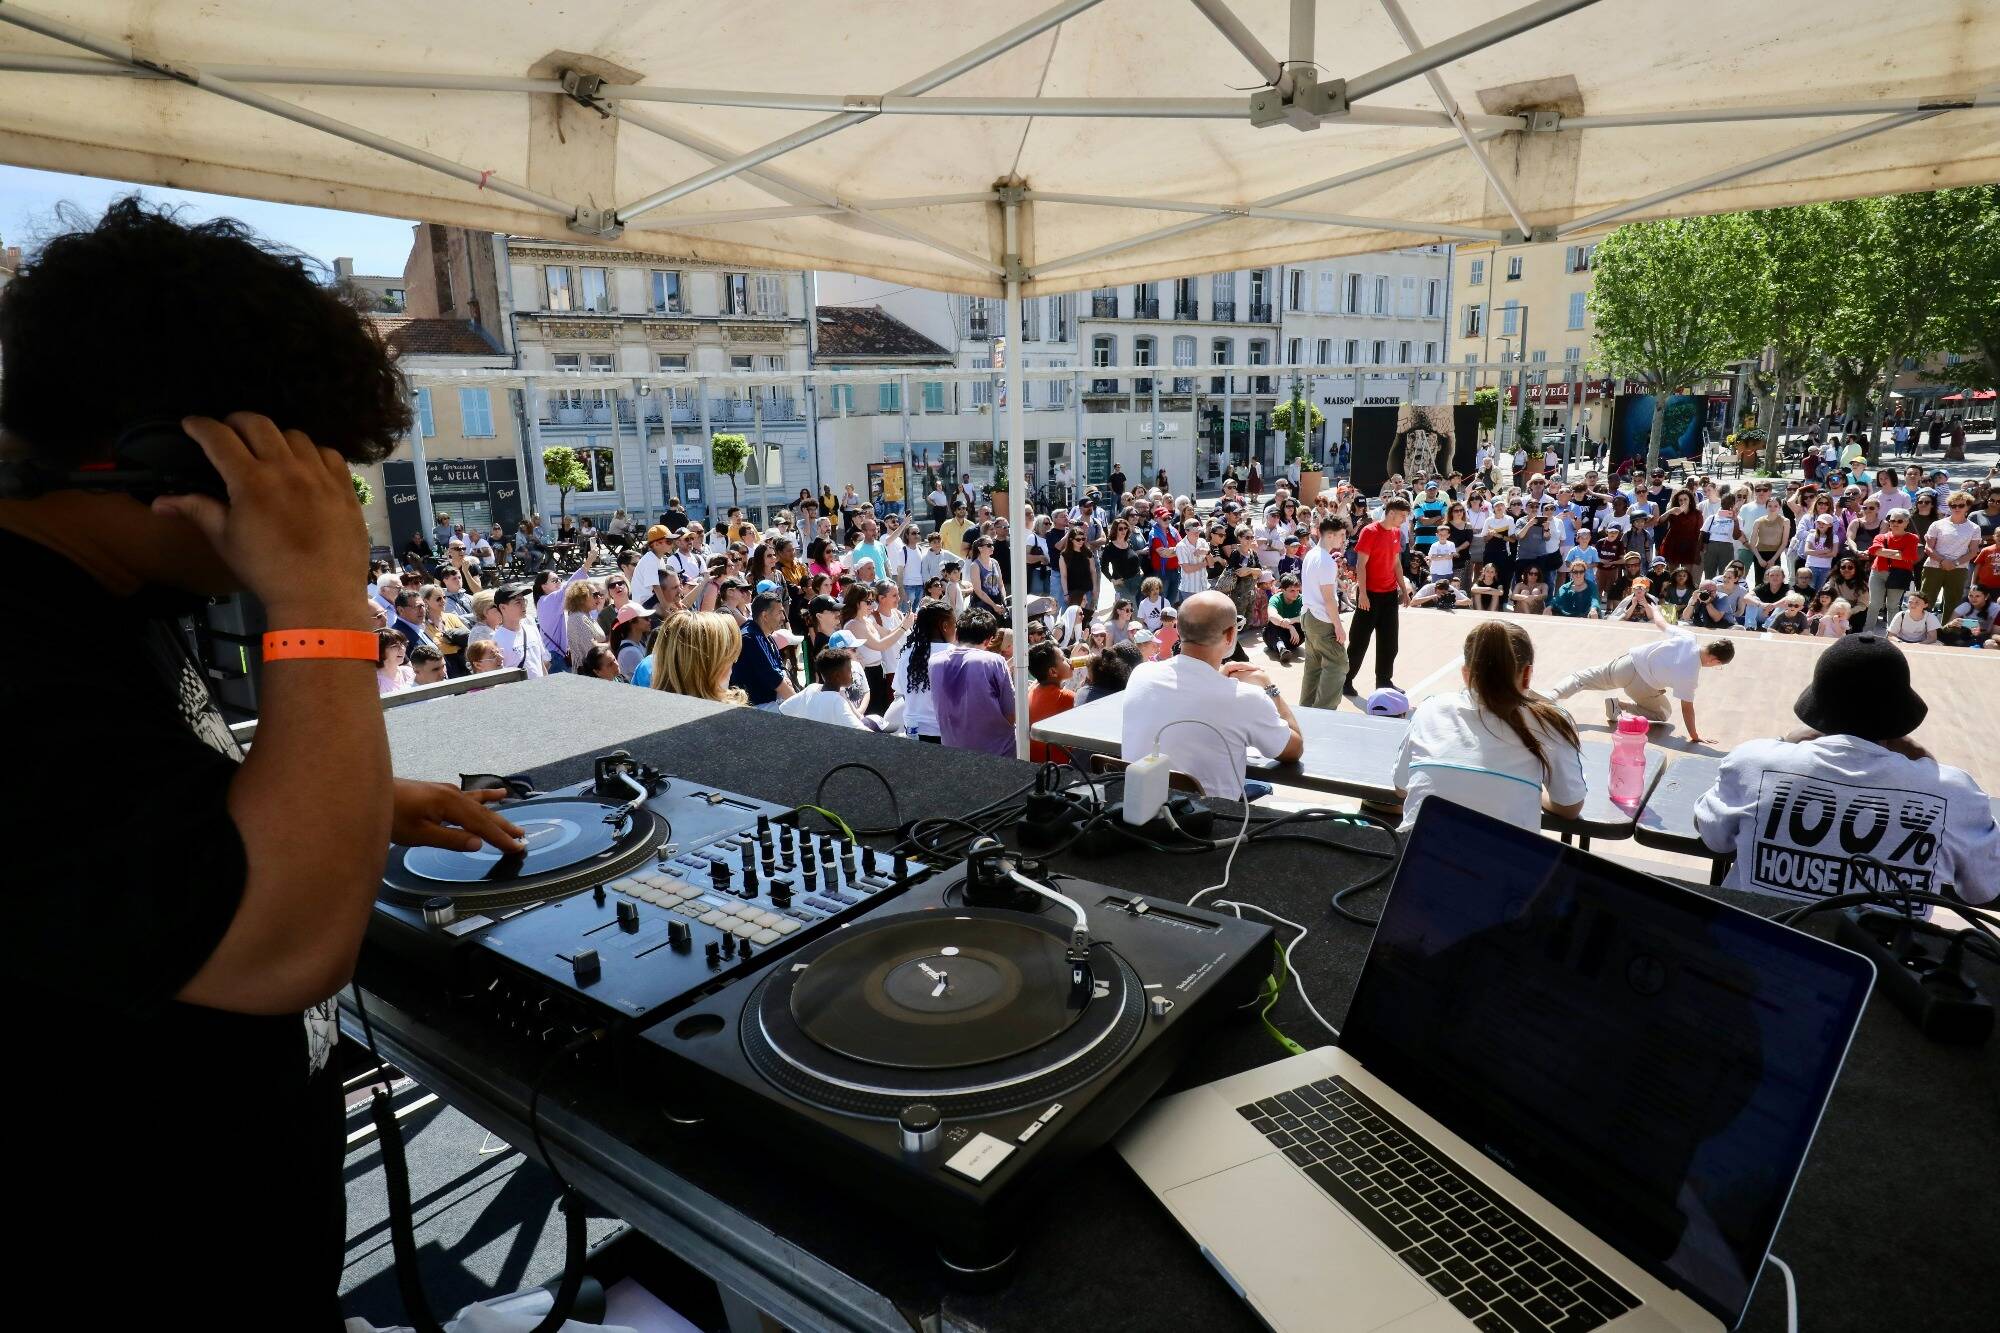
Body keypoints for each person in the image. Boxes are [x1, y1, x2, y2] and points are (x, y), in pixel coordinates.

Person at [0, 200, 532, 1323]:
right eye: (305, 472)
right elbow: (276, 946)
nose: (324, 505)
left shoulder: (113, 593)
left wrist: (359, 801)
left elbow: (132, 828)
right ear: (174, 459)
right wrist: (319, 595)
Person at [1693, 633, 1998, 906]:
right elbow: (1983, 888)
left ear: (1818, 712)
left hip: (1755, 951)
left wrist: (1783, 743)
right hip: (1876, 966)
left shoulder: (1752, 763)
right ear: (1899, 720)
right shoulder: (1956, 795)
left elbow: (1714, 838)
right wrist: (1923, 760)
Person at [1392, 620, 1586, 831]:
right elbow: (1569, 807)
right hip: (1504, 862)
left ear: (1466, 674)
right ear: (1527, 675)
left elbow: (1401, 787)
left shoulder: (1429, 709)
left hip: (1417, 860)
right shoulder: (1552, 722)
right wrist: (1535, 795)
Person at [1120, 591, 1303, 798]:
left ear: (1178, 628)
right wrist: (1269, 687)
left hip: (1141, 808)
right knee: (1264, 787)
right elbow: (1294, 749)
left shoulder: (1141, 674)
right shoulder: (1246, 698)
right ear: (1231, 634)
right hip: (1211, 821)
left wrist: (1216, 679)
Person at [1547, 598, 1734, 740]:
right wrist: (1695, 736)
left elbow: (1660, 623)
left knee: (1583, 678)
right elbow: (1687, 710)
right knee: (1664, 713)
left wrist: (1654, 609)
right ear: (1715, 660)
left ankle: (1552, 695)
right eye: (1718, 666)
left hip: (1627, 665)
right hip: (1642, 688)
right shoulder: (1691, 676)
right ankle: (1619, 707)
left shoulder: (1688, 636)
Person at [1342, 496, 1412, 698]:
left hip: (1389, 595)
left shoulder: (1397, 533)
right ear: (1390, 513)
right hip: (1369, 595)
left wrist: (1403, 588)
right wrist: (1362, 594)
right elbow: (1360, 565)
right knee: (1359, 642)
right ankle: (1346, 680)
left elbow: (1396, 562)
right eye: (1402, 515)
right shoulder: (1370, 531)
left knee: (1390, 642)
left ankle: (1384, 681)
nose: (1404, 520)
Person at [933, 607, 1016, 756]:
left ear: (957, 634)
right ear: (989, 640)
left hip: (951, 749)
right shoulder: (994, 661)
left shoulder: (935, 661)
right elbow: (1011, 713)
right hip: (997, 751)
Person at [1297, 516, 1350, 709]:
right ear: (1329, 535)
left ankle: (1306, 709)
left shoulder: (1312, 554)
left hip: (1308, 616)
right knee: (1338, 664)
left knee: (1314, 667)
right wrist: (1338, 626)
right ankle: (1324, 712)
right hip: (1321, 619)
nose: (1343, 539)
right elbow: (1328, 599)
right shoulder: (1327, 561)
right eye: (1341, 535)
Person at [893, 599, 955, 742]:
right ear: (945, 626)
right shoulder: (955, 655)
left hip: (913, 730)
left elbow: (901, 692)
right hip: (945, 731)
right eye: (954, 624)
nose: (955, 629)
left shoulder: (907, 652)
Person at [728, 592, 794, 707]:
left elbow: (779, 666)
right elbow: (774, 678)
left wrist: (784, 676)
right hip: (753, 707)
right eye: (779, 613)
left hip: (768, 701)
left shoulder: (765, 635)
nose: (783, 617)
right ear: (765, 616)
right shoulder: (751, 638)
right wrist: (800, 707)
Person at [779, 646, 870, 729]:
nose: (852, 674)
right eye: (849, 669)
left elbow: (784, 709)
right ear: (837, 675)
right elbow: (861, 730)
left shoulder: (811, 688)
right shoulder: (837, 701)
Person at [1026, 640, 1076, 763]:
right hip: (1058, 767)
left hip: (1035, 762)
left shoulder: (1031, 690)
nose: (1069, 661)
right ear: (1053, 672)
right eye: (1063, 659)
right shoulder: (1067, 697)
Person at [1263, 573, 1304, 663]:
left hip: (1294, 639)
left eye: (1298, 590)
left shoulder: (1302, 599)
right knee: (1271, 623)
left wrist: (1291, 621)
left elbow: (1307, 616)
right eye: (1292, 590)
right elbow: (1272, 615)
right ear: (1283, 590)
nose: (1296, 593)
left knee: (1308, 622)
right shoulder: (1276, 598)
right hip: (1275, 638)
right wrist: (1289, 626)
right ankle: (1282, 649)